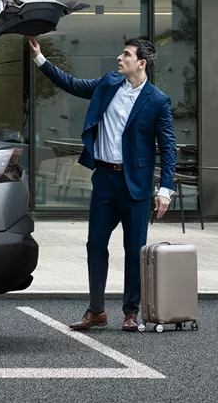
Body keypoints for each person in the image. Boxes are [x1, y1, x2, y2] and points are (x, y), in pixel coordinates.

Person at [29, 36, 176, 332]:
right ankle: (96, 311)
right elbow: (73, 84)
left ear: (141, 63)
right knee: (95, 244)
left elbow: (169, 146)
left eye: (126, 55)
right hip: (105, 180)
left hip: (135, 185)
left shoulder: (157, 100)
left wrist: (165, 190)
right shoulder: (108, 84)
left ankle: (130, 313)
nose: (119, 58)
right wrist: (39, 59)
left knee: (134, 250)